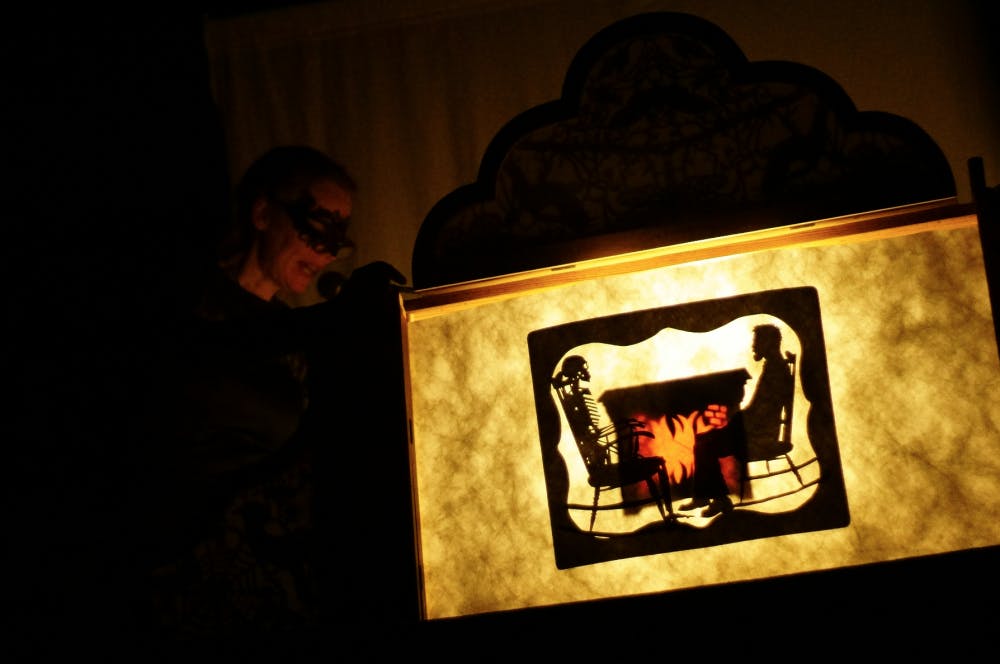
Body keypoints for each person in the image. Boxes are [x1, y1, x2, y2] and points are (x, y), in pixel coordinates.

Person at [133, 145, 406, 645]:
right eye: (317, 225)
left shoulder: (291, 338)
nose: (327, 251)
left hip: (261, 579)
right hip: (170, 567)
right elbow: (198, 362)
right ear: (263, 213)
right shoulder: (180, 298)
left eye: (339, 236)